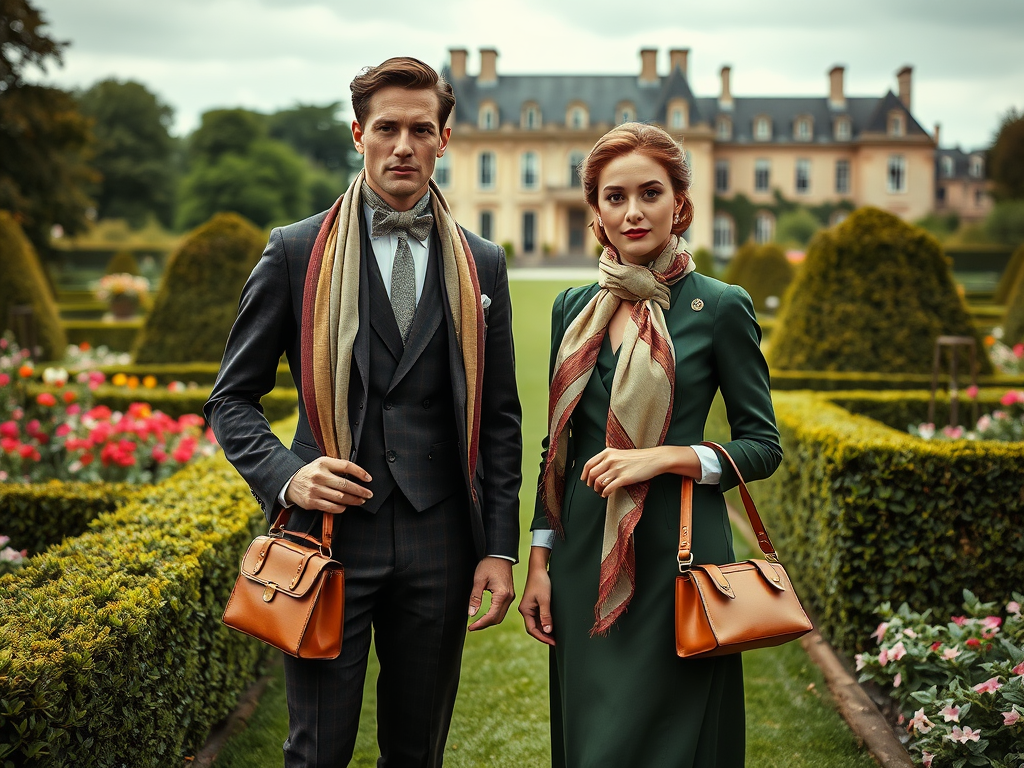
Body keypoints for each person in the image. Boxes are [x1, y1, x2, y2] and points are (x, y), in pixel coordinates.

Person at [205, 57, 522, 768]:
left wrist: (498, 549)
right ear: (358, 134)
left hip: (442, 539)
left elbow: (500, 418)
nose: (403, 145)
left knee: (418, 752)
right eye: (387, 129)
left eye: (420, 129)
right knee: (317, 751)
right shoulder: (294, 251)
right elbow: (231, 397)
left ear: (445, 139)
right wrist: (289, 476)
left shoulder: (483, 262)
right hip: (327, 539)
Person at [518, 122, 782, 768]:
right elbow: (558, 446)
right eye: (614, 197)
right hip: (585, 552)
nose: (632, 212)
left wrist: (664, 458)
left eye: (650, 193)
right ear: (597, 212)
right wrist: (540, 560)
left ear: (680, 203)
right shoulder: (572, 309)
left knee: (673, 742)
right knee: (593, 739)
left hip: (679, 552)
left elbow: (763, 446)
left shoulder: (720, 307)